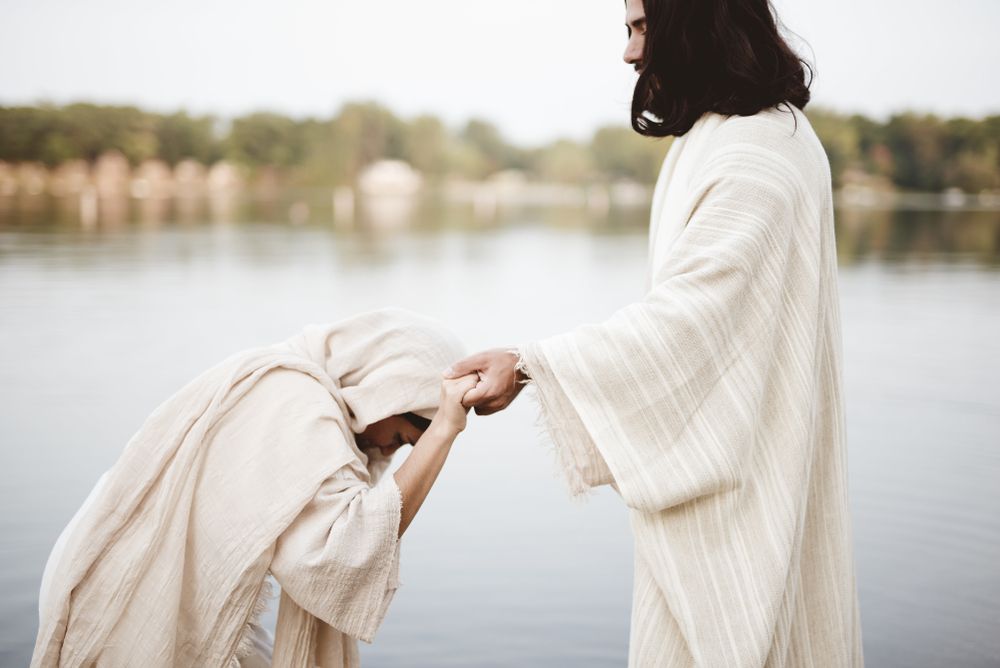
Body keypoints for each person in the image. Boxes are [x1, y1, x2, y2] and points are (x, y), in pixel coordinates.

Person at [445, 0, 863, 665]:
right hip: (730, 501)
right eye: (628, 30)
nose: (630, 54)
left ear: (697, 22)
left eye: (642, 28)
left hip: (749, 513)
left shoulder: (759, 153)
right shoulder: (721, 138)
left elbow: (686, 327)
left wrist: (531, 365)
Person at [33, 308, 477, 668]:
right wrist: (441, 433)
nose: (387, 450)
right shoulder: (297, 403)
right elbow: (336, 554)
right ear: (386, 392)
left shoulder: (297, 386)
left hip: (128, 552)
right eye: (400, 439)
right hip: (128, 572)